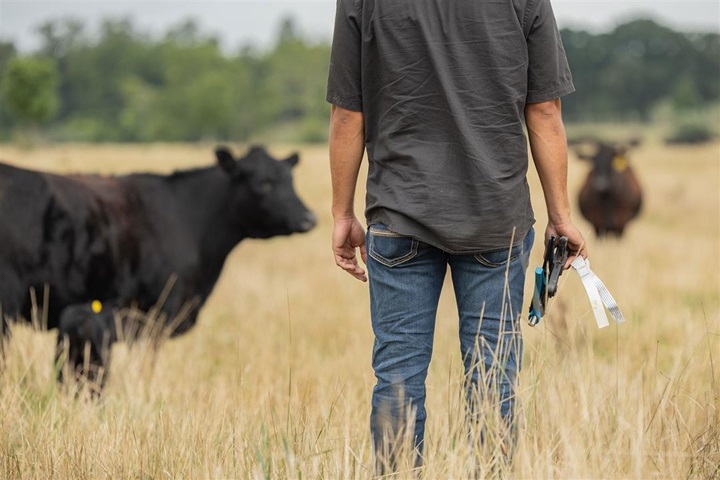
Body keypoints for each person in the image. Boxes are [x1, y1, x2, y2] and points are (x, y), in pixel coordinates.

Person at [326, 0, 587, 473]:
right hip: (497, 219)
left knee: (398, 376)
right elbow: (545, 109)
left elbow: (348, 115)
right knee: (493, 376)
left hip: (398, 214)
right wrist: (561, 215)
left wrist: (342, 213)